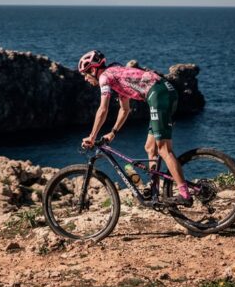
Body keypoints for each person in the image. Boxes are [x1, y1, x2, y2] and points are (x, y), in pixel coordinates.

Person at [77, 50, 191, 205]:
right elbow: (125, 109)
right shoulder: (115, 74)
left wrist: (92, 136)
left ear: (93, 69)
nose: (85, 79)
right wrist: (113, 132)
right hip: (163, 91)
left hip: (158, 94)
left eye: (85, 74)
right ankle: (154, 190)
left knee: (164, 149)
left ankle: (184, 194)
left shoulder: (104, 77)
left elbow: (103, 109)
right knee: (150, 148)